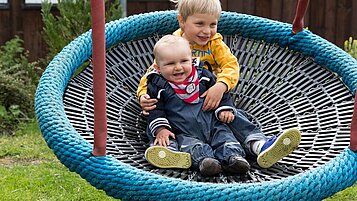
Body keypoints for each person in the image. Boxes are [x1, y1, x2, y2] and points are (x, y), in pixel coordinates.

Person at [144, 35, 254, 176]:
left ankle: (234, 159)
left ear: (191, 59)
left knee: (225, 138)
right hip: (182, 131)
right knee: (191, 146)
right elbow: (155, 109)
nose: (178, 67)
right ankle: (205, 163)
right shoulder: (157, 85)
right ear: (158, 68)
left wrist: (224, 108)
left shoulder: (203, 76)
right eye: (170, 64)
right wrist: (161, 128)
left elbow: (222, 95)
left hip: (212, 124)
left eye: (184, 61)